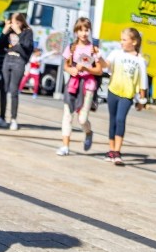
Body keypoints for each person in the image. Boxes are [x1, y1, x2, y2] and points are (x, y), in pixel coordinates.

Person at [100, 27, 148, 166]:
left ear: (134, 42)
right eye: (121, 39)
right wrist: (98, 57)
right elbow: (106, 65)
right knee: (113, 120)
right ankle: (111, 150)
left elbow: (142, 81)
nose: (121, 42)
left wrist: (142, 100)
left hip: (127, 95)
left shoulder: (140, 60)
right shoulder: (116, 53)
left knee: (121, 120)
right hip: (113, 91)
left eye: (124, 39)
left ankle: (117, 151)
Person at [56, 17, 103, 156]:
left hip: (88, 85)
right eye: (80, 30)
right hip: (72, 84)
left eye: (86, 30)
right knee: (67, 115)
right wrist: (71, 70)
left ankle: (88, 132)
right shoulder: (71, 47)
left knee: (82, 119)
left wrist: (86, 69)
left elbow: (99, 70)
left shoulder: (94, 49)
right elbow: (66, 65)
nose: (83, 33)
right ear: (76, 31)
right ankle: (65, 146)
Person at [0, 13, 34, 131]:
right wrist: (4, 31)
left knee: (14, 90)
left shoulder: (27, 31)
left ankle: (13, 119)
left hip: (19, 61)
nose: (12, 24)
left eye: (14, 22)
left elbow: (27, 45)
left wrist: (19, 32)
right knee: (3, 89)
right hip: (7, 59)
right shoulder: (9, 31)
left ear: (20, 22)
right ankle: (1, 117)